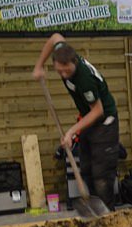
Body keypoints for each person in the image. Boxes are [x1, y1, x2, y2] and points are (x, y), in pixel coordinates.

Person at [32, 33, 120, 210]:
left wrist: (71, 131)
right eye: (59, 71)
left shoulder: (84, 79)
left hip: (104, 121)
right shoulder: (62, 51)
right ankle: (96, 211)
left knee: (101, 174)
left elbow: (98, 111)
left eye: (67, 70)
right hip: (88, 119)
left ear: (75, 62)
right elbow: (55, 37)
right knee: (86, 169)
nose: (64, 74)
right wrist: (39, 65)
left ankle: (108, 214)